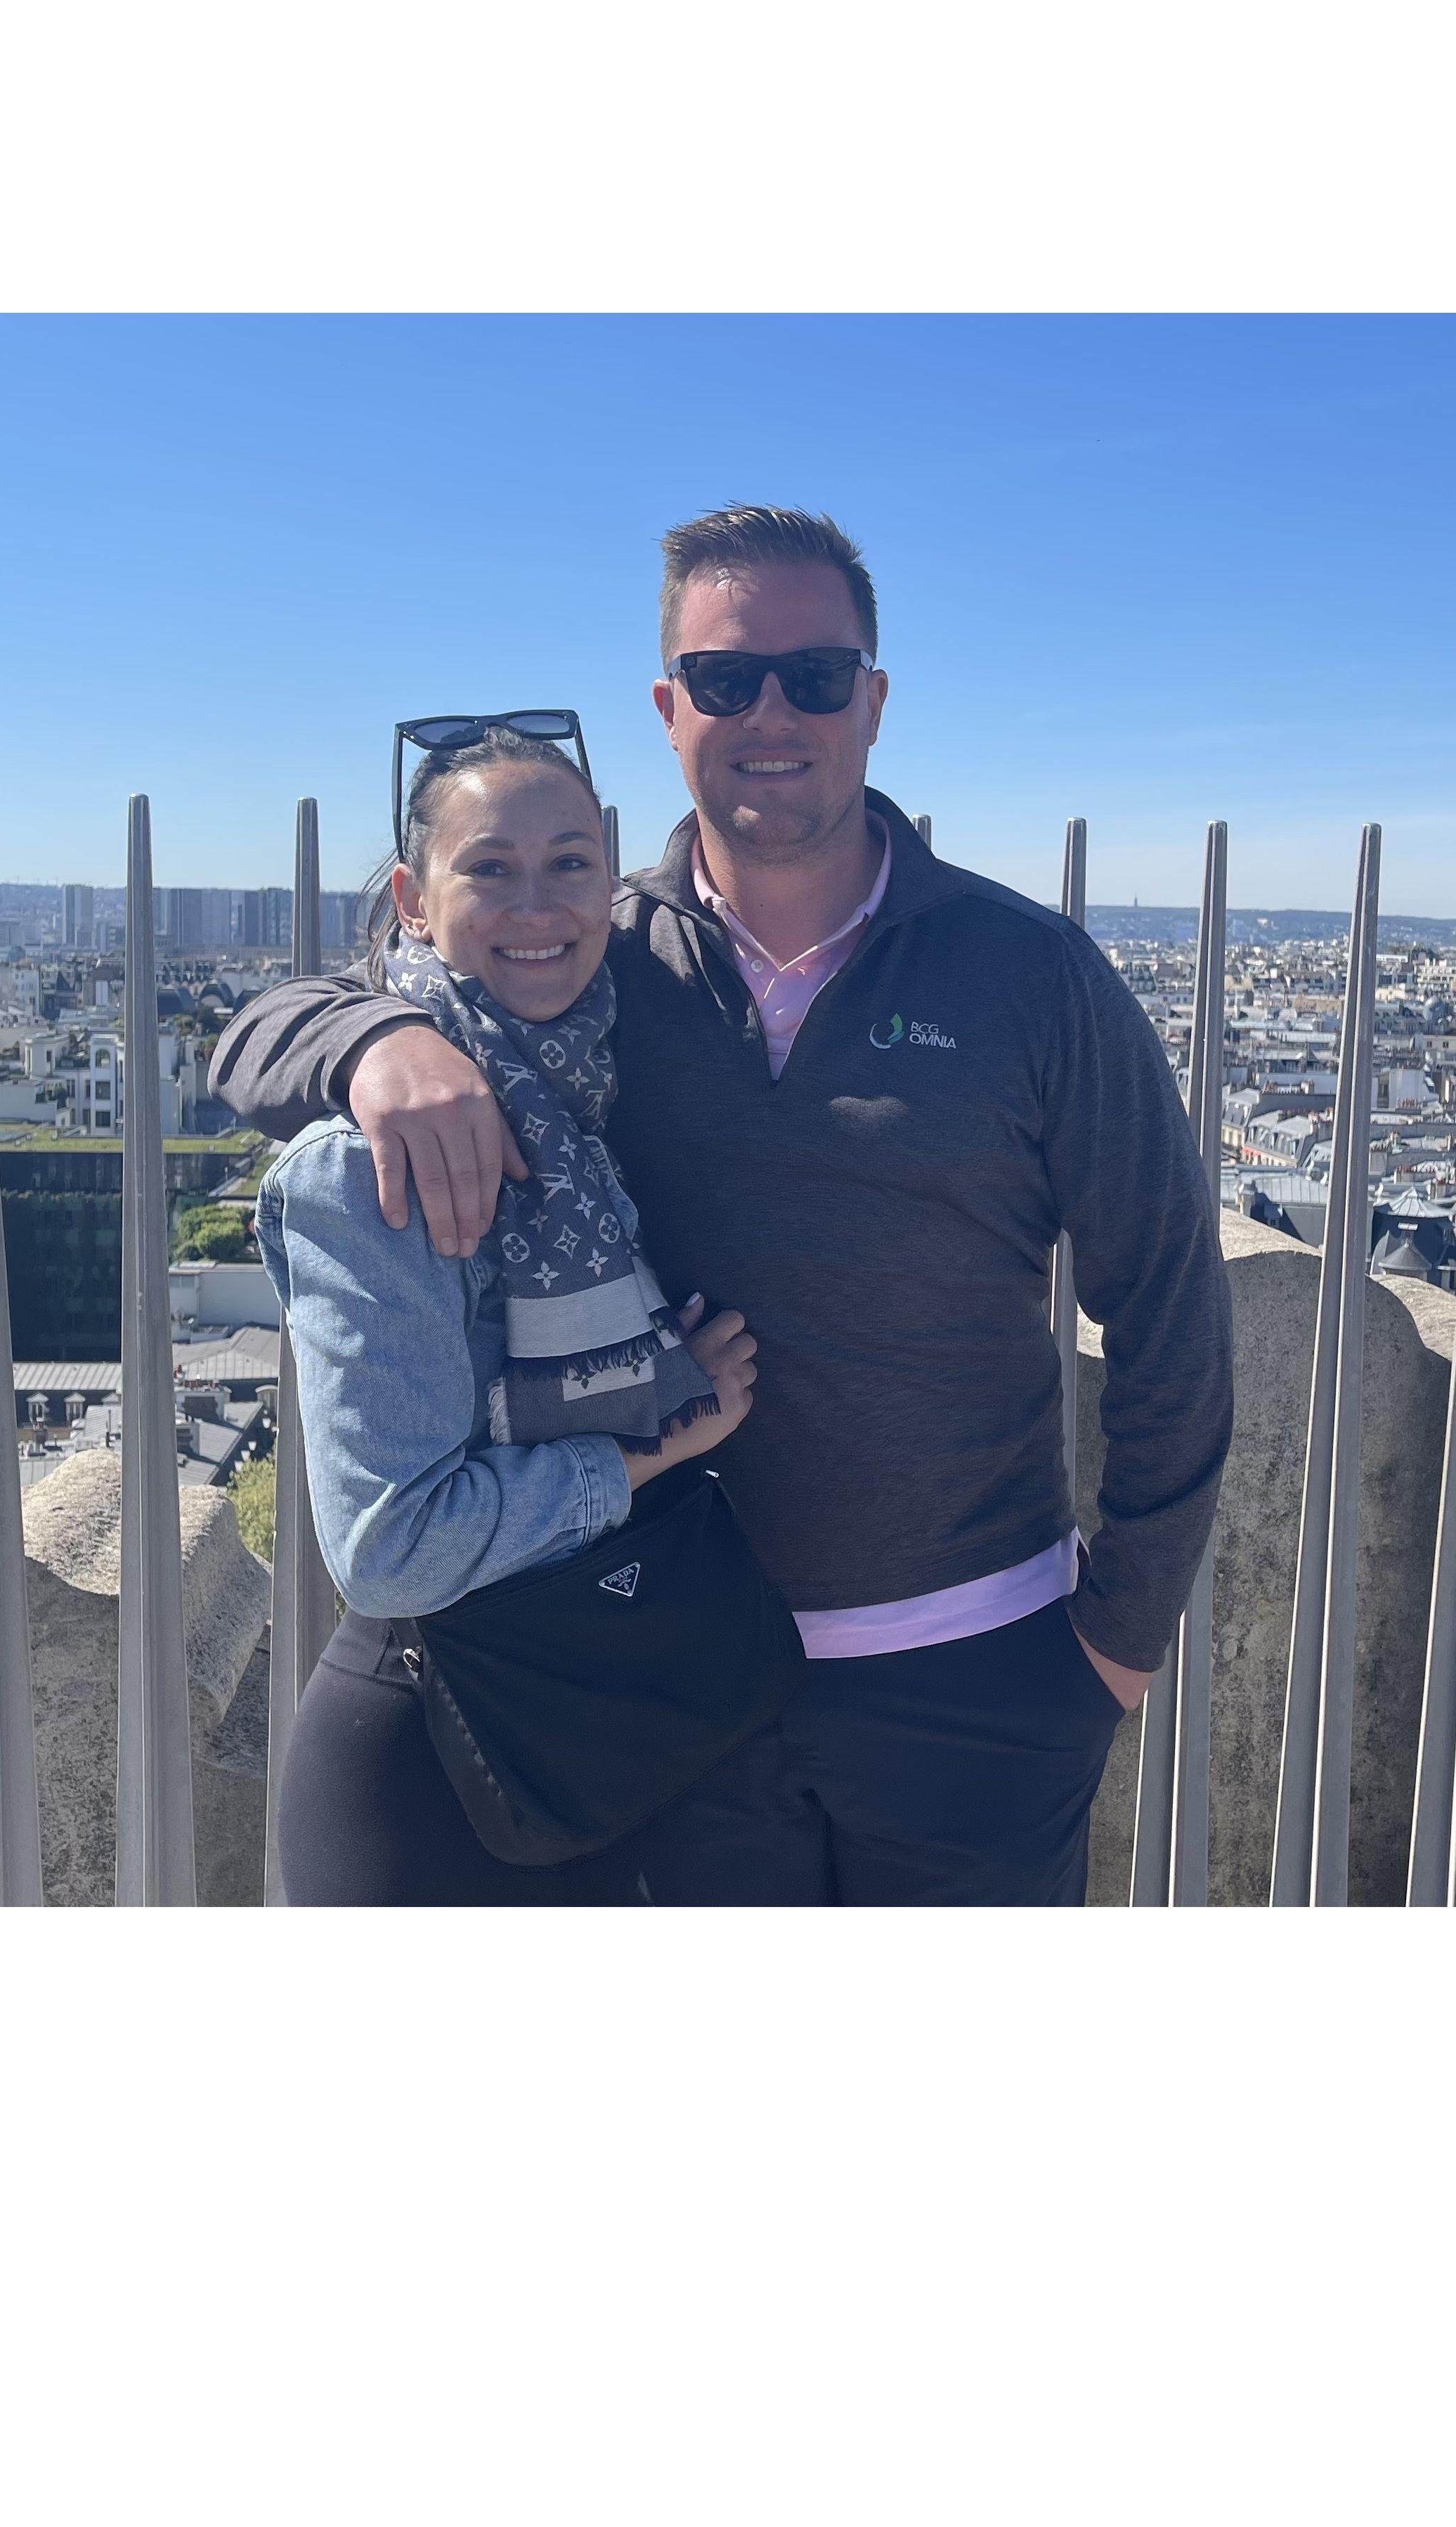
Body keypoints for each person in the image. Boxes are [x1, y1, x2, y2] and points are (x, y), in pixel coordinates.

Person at [219, 506, 1233, 1904]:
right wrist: (375, 1046)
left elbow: (1173, 1304)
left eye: (815, 676)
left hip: (983, 1681)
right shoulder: (581, 957)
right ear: (667, 707)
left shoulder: (1030, 977)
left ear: (872, 703)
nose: (773, 712)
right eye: (725, 677)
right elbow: (269, 1030)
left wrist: (1116, 1640)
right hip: (676, 1677)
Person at [256, 717, 760, 1903]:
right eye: (489, 867)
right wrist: (654, 1442)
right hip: (440, 1753)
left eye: (570, 863)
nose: (538, 905)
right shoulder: (369, 1164)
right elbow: (392, 1548)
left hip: (596, 1708)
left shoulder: (589, 1086)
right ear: (413, 900)